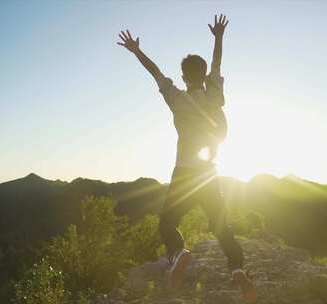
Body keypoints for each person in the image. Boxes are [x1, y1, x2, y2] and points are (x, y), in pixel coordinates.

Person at [117, 14, 255, 300]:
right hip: (209, 172)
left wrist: (136, 50)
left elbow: (155, 72)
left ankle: (179, 253)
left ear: (182, 77)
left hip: (184, 173)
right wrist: (218, 37)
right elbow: (217, 63)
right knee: (221, 226)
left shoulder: (176, 98)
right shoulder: (215, 93)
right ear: (204, 75)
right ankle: (238, 271)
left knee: (167, 222)